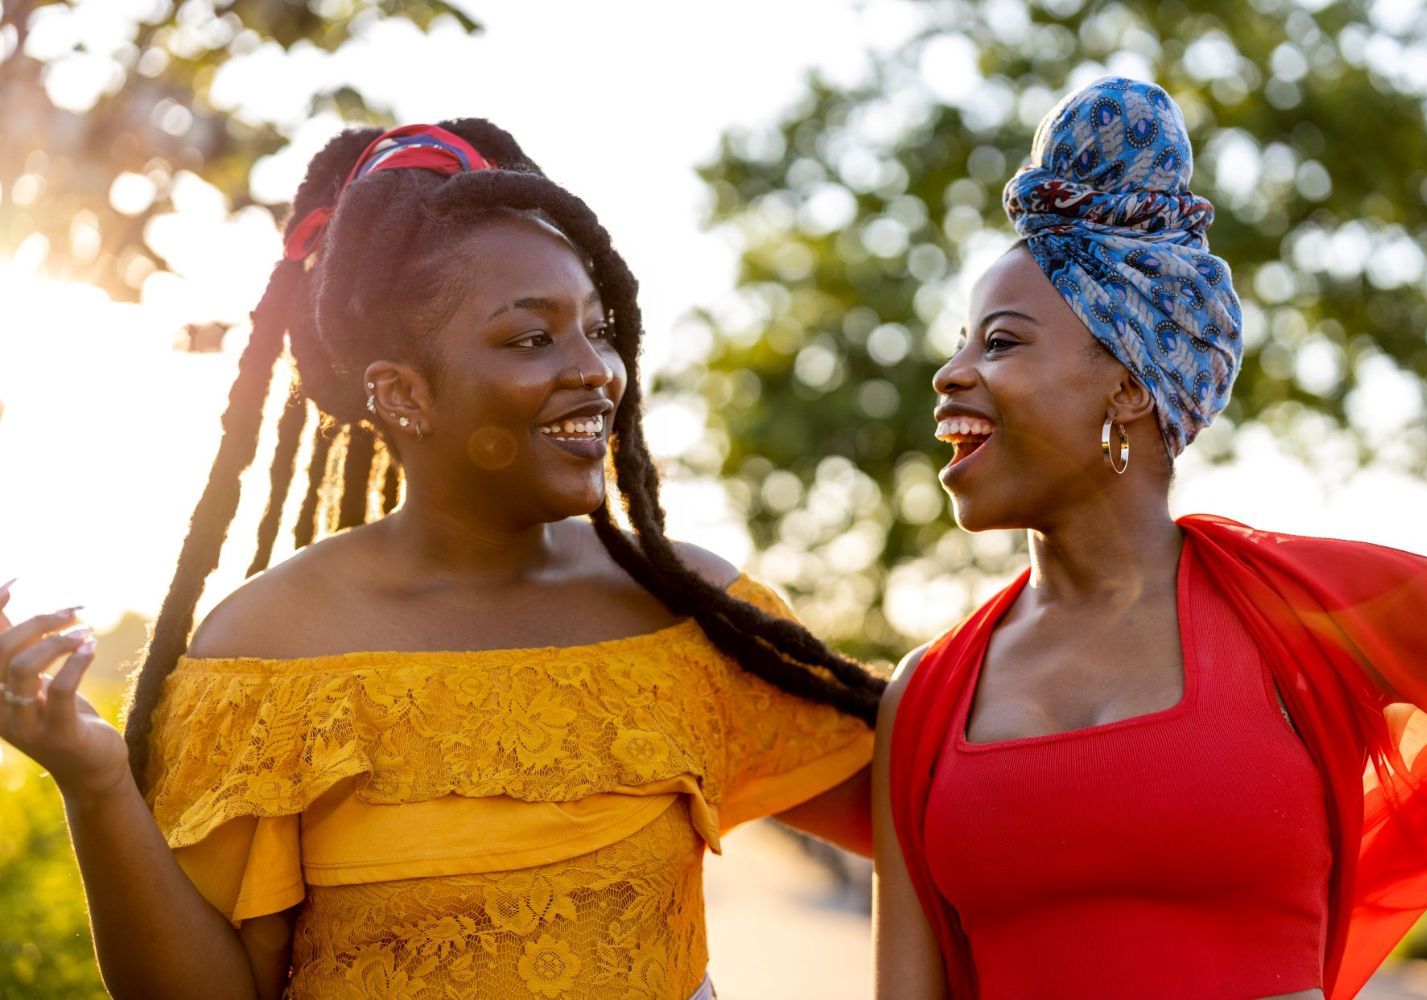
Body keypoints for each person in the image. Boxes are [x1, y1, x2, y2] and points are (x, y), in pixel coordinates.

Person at [0, 120, 883, 999]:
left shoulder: (689, 614)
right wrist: (94, 778)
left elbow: (936, 821)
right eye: (531, 339)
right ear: (404, 393)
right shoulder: (271, 652)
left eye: (597, 328)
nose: (596, 371)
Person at [871, 77, 1427, 1000]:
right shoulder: (925, 695)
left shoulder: (1303, 615)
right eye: (962, 341)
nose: (950, 372)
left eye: (999, 344)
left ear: (1127, 385)